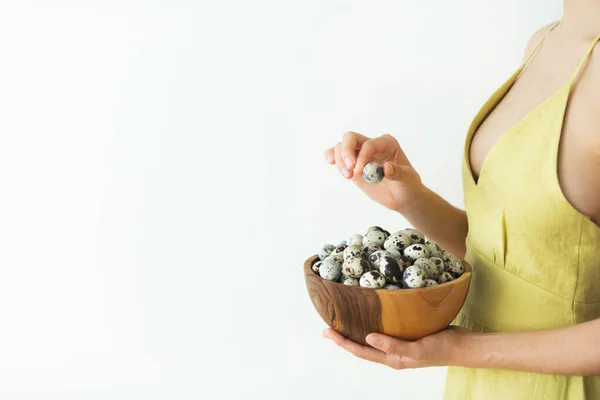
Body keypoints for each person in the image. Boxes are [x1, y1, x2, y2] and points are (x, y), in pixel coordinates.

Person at [322, 2, 600, 399]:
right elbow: (518, 262)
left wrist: (464, 348)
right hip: (479, 384)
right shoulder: (546, 40)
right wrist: (410, 197)